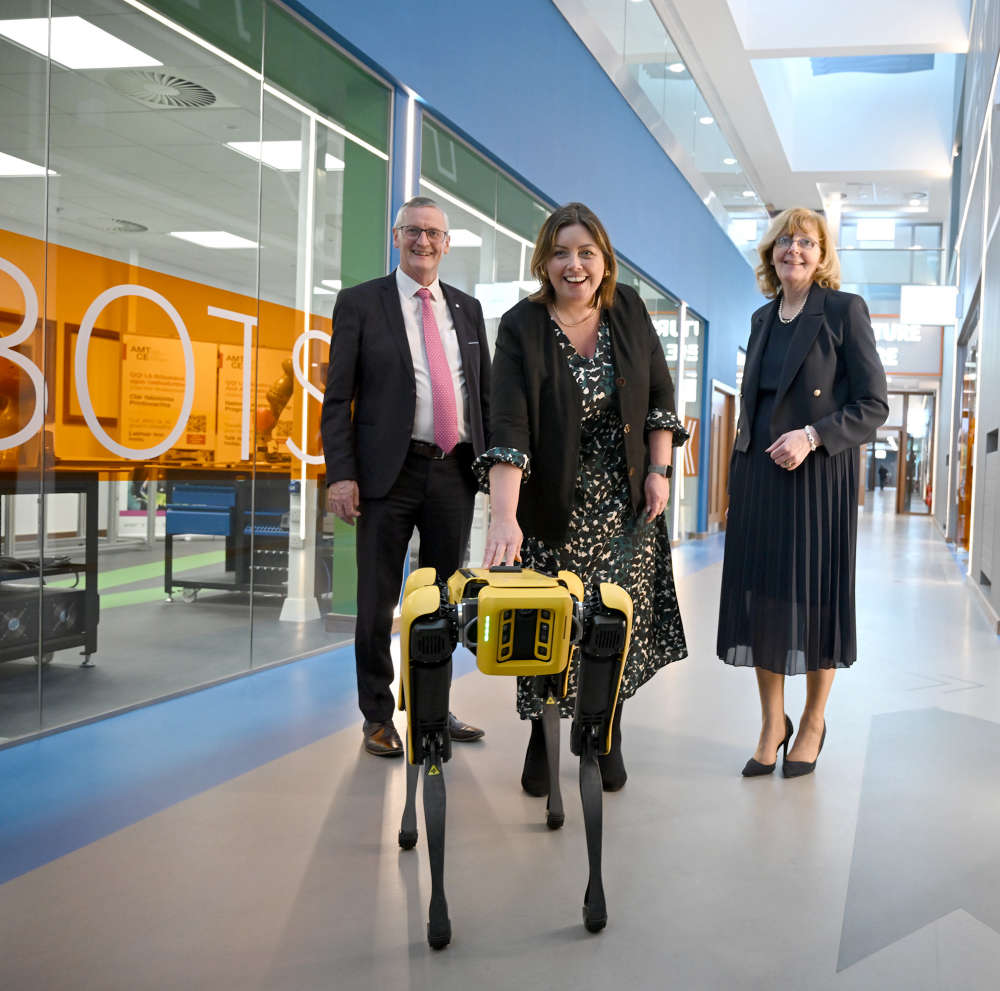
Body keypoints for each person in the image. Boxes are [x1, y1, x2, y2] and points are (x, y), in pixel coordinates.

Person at [478, 202, 688, 792]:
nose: (575, 265)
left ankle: (605, 729)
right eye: (562, 252)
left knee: (613, 625)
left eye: (586, 253)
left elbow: (660, 394)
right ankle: (542, 737)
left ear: (604, 260)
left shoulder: (628, 310)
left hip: (625, 506)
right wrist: (504, 517)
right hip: (554, 509)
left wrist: (660, 469)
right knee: (552, 627)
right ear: (544, 260)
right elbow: (510, 427)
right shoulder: (521, 325)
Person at [717, 207, 888, 778]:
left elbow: (873, 404)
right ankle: (773, 722)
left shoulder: (843, 310)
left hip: (817, 477)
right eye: (785, 240)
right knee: (762, 597)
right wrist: (736, 482)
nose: (794, 249)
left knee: (815, 598)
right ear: (770, 252)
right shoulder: (763, 318)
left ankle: (812, 720)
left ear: (822, 255)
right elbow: (755, 407)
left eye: (807, 242)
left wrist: (814, 436)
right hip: (761, 478)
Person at [321, 196, 490, 758]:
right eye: (413, 231)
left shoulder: (467, 310)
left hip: (452, 471)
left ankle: (432, 707)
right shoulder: (361, 303)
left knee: (442, 599)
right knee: (376, 602)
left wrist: (490, 464)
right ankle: (376, 713)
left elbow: (480, 395)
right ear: (397, 238)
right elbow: (338, 396)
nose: (424, 242)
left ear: (447, 244)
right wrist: (341, 475)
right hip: (385, 475)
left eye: (434, 234)